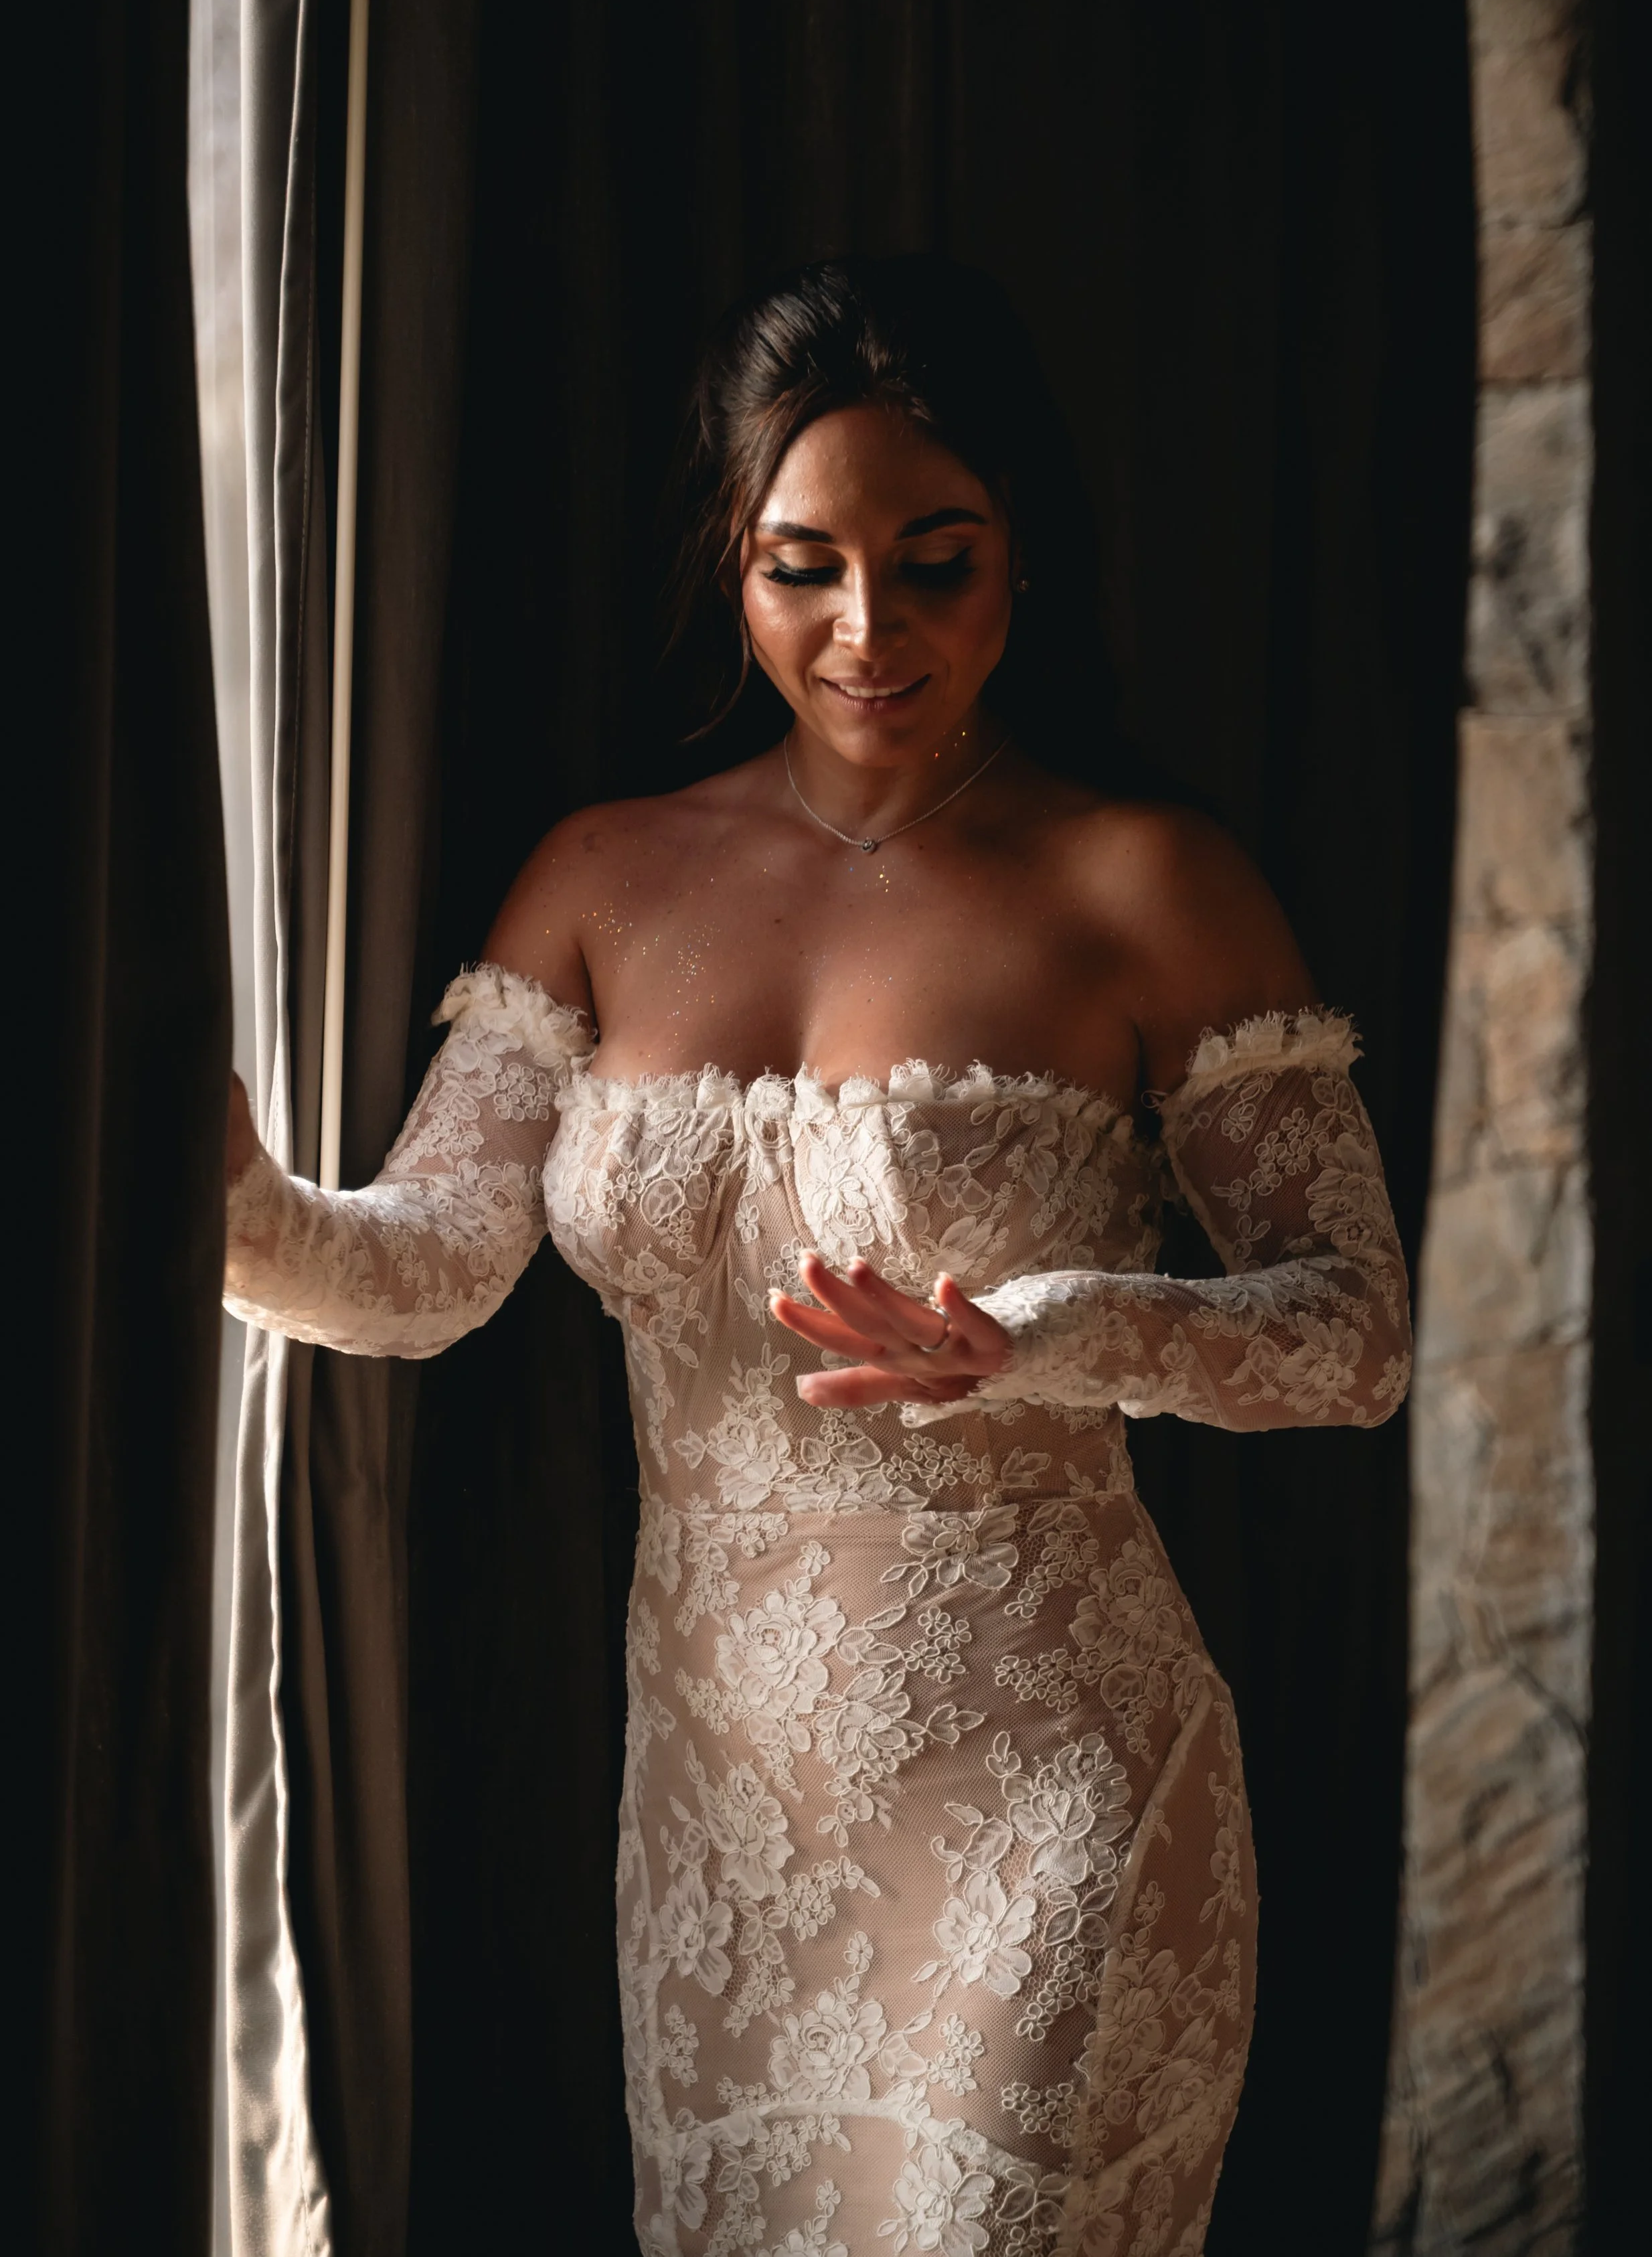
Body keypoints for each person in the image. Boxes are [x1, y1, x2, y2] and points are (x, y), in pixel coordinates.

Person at [225, 256, 1410, 2256]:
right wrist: (218, 1181)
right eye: (805, 568)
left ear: (1018, 550)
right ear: (731, 560)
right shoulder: (602, 875)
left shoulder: (1146, 883)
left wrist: (1049, 1327)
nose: (869, 630)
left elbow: (1352, 1328)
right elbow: (425, 1269)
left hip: (1050, 1770)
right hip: (726, 1818)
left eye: (933, 561)